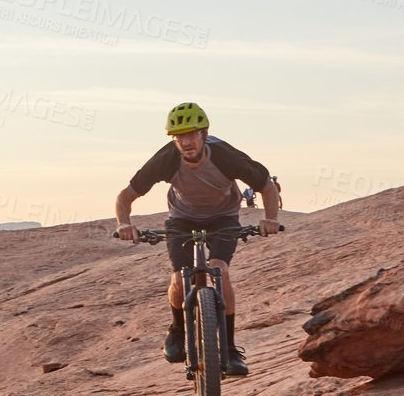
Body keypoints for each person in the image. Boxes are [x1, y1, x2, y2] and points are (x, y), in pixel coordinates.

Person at [113, 102, 280, 377]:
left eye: (191, 134)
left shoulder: (225, 155)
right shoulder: (167, 159)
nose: (186, 142)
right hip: (182, 219)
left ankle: (229, 349)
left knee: (220, 270)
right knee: (180, 277)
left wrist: (270, 218)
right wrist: (124, 224)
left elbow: (266, 185)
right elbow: (125, 196)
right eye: (179, 136)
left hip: (223, 217)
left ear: (204, 133)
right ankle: (178, 330)